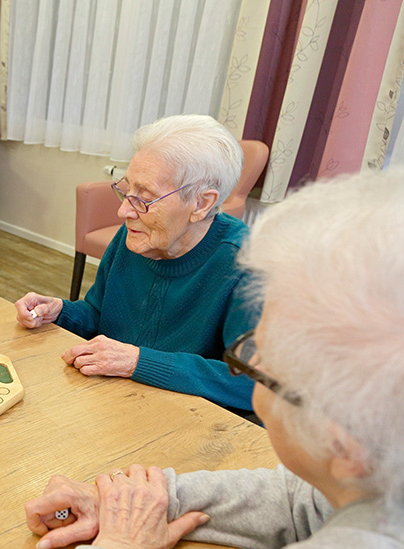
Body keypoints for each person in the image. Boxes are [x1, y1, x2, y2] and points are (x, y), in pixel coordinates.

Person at [0, 169, 404, 549]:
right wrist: (127, 502)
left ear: (341, 443)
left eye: (255, 354)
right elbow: (306, 498)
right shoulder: (379, 472)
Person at [16, 115, 256, 411]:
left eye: (144, 198)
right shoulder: (138, 234)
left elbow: (252, 384)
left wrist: (137, 362)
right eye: (126, 190)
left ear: (202, 203)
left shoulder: (248, 266)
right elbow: (99, 314)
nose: (123, 211)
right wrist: (60, 312)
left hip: (184, 422)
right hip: (112, 403)